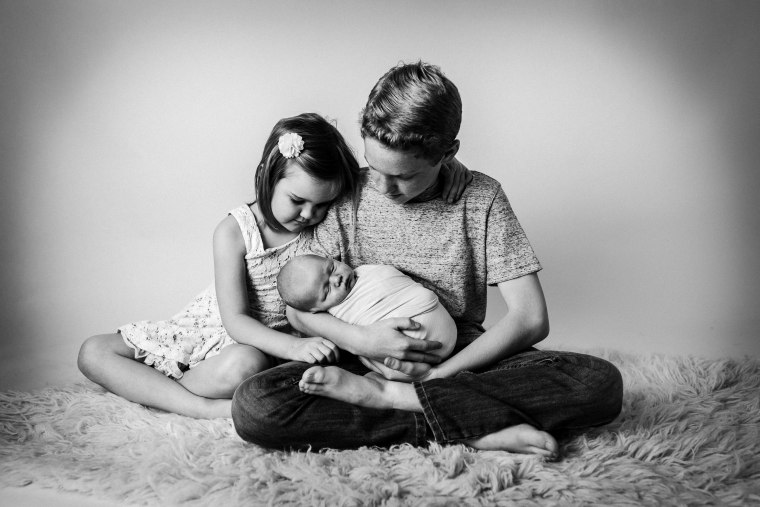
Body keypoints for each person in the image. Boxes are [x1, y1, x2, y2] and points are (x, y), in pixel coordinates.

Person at [232, 62, 623, 457]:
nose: (383, 187)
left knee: (597, 383)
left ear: (447, 153)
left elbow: (531, 318)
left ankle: (394, 400)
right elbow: (300, 309)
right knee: (256, 405)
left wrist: (436, 378)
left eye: (403, 175)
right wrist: (363, 339)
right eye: (375, 166)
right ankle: (471, 425)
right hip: (361, 357)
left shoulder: (480, 199)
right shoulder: (348, 192)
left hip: (458, 356)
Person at [77, 112, 470, 419]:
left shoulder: (326, 221)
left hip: (254, 353)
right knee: (93, 352)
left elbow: (391, 172)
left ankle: (180, 388)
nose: (309, 214)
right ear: (268, 176)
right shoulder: (234, 231)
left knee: (243, 366)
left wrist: (452, 169)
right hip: (224, 329)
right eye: (298, 200)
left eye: (320, 204)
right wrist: (292, 348)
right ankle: (194, 404)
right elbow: (234, 321)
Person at [276, 254, 457, 381]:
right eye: (327, 290)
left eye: (331, 268)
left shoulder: (366, 272)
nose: (336, 279)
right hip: (404, 362)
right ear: (316, 310)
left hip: (453, 345)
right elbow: (293, 311)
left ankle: (386, 393)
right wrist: (359, 340)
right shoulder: (337, 312)